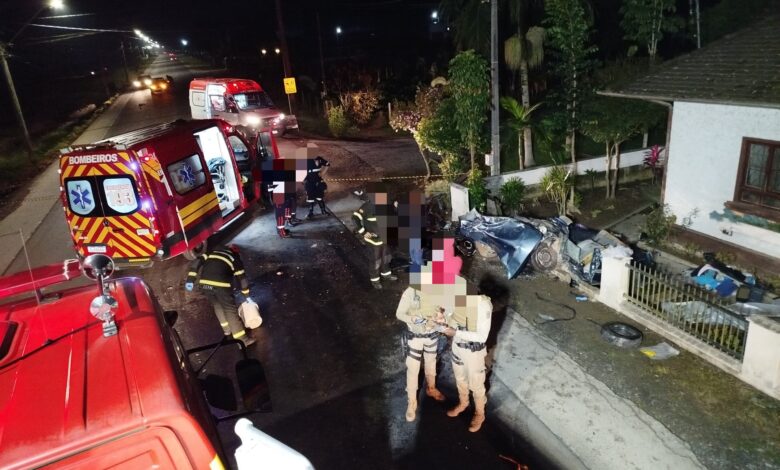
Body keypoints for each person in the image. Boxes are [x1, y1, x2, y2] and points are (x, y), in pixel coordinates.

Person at [442, 286, 493, 432]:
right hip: (457, 347)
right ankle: (463, 403)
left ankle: (480, 413)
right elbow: (449, 316)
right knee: (460, 379)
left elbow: (482, 336)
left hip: (473, 352)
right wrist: (442, 319)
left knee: (476, 385)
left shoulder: (482, 305)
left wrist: (455, 331)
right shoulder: (454, 299)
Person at [185, 244, 256, 347]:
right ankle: (242, 340)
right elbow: (242, 279)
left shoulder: (211, 253)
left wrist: (190, 280)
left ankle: (227, 330)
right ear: (235, 252)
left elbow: (196, 262)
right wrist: (246, 296)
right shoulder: (233, 258)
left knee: (217, 305)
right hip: (222, 286)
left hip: (205, 285)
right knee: (230, 310)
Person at [352, 183, 398, 289]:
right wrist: (363, 232)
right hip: (373, 241)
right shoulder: (367, 206)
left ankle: (386, 274)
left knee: (386, 258)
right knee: (375, 260)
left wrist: (395, 208)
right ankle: (375, 280)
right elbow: (355, 218)